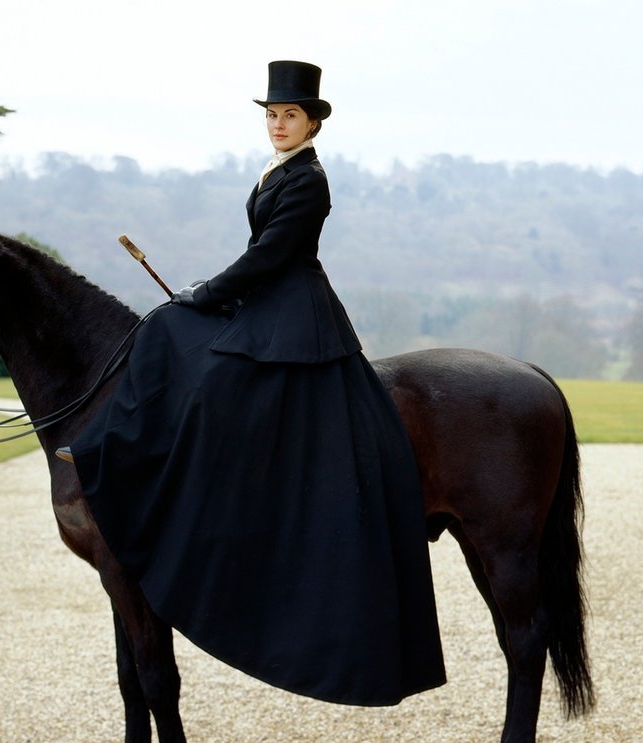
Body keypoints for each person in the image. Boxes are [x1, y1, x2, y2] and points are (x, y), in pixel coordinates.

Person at [62, 61, 447, 707]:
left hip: (293, 308)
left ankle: (140, 450)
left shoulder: (309, 180)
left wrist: (207, 292)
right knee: (167, 332)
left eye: (289, 115)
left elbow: (270, 255)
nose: (277, 123)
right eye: (271, 114)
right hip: (267, 300)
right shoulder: (277, 169)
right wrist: (209, 296)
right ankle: (118, 442)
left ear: (314, 121)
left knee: (180, 345)